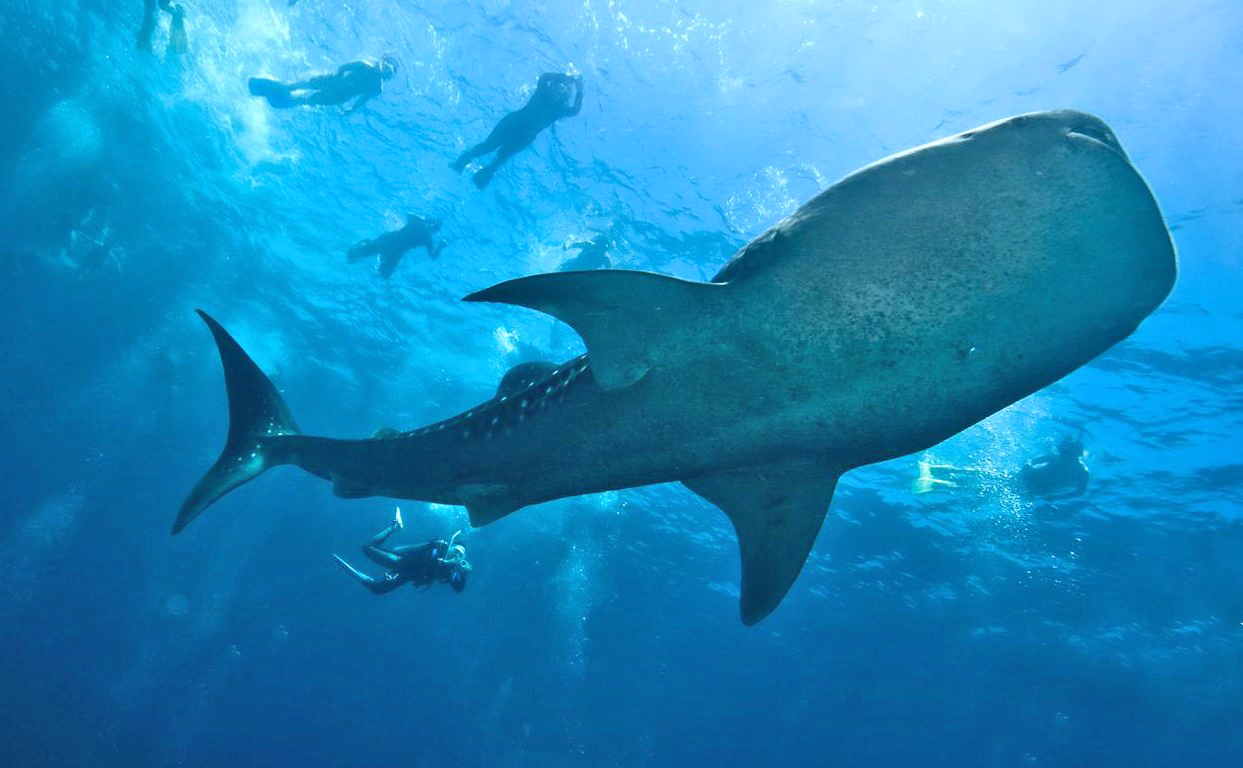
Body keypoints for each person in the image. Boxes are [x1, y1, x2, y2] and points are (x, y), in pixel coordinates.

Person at [451, 72, 584, 189]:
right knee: (488, 146)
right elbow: (544, 78)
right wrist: (569, 78)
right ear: (554, 87)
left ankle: (481, 177)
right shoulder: (544, 93)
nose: (564, 93)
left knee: (501, 158)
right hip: (511, 124)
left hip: (524, 137)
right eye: (562, 88)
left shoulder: (559, 110)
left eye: (567, 93)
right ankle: (464, 159)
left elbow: (575, 110)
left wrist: (580, 90)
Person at [334, 508, 472, 595]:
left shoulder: (453, 570)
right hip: (399, 562)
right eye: (456, 550)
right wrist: (393, 573)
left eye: (461, 554)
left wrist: (464, 575)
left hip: (407, 576)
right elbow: (429, 559)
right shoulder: (439, 547)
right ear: (451, 546)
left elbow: (458, 588)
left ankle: (361, 578)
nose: (457, 554)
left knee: (378, 590)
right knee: (367, 549)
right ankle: (394, 526)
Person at [248, 57, 397, 113]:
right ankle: (279, 89)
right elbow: (343, 68)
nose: (386, 71)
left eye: (389, 72)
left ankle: (281, 99)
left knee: (304, 101)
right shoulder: (365, 65)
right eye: (387, 67)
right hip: (330, 82)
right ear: (382, 64)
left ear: (388, 77)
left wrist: (352, 110)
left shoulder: (377, 89)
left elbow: (363, 99)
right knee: (294, 87)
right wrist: (337, 79)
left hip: (338, 97)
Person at [347, 214, 446, 279]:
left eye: (435, 228)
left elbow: (432, 256)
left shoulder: (428, 239)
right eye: (434, 227)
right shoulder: (421, 227)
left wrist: (441, 246)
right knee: (358, 254)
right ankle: (360, 247)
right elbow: (409, 214)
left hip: (395, 251)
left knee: (384, 275)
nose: (433, 229)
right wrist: (425, 219)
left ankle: (364, 247)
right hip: (389, 241)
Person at [1019, 435, 1089, 499]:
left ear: (1077, 454)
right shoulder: (1056, 456)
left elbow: (1080, 492)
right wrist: (1027, 466)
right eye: (1061, 451)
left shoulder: (1082, 472)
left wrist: (1057, 497)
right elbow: (1031, 461)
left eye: (1065, 452)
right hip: (1034, 478)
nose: (1062, 454)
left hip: (1043, 489)